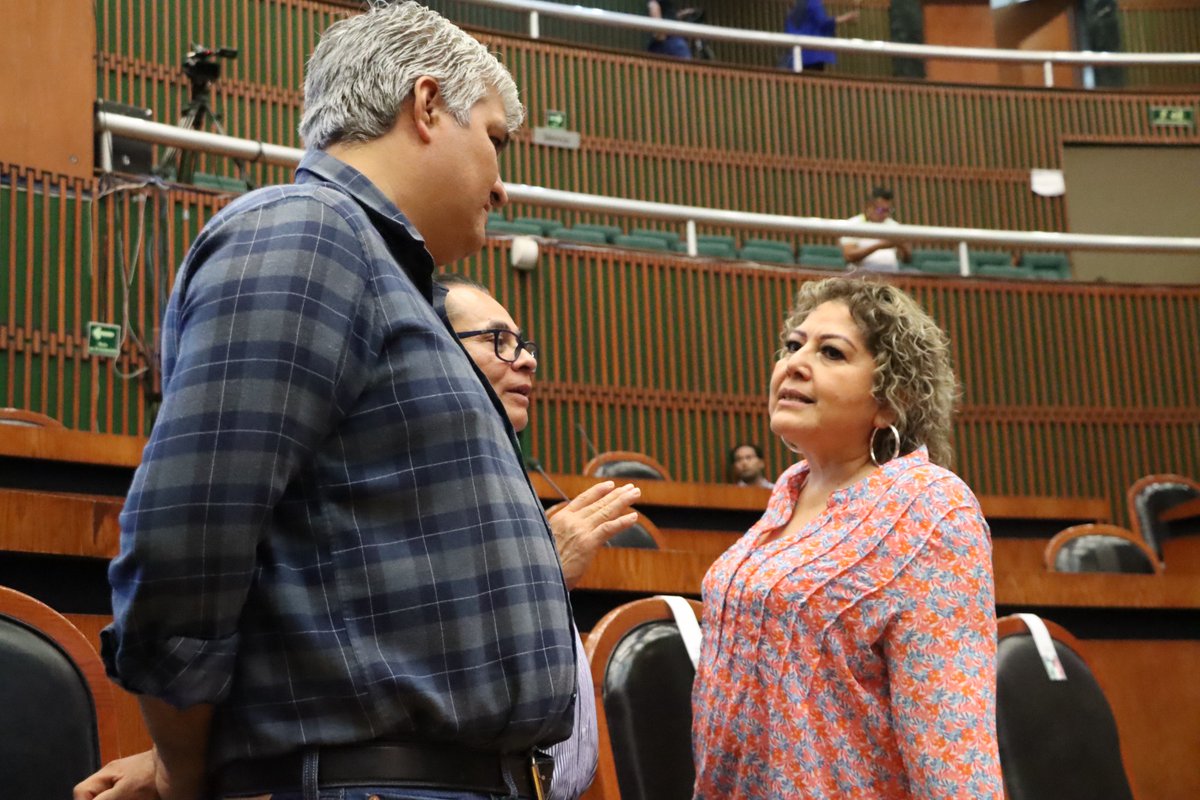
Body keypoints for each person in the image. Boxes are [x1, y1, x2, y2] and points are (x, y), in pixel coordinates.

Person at [95, 5, 579, 800]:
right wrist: (184, 763)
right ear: (426, 106)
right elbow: (187, 540)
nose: (500, 182)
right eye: (494, 139)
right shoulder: (308, 230)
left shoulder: (387, 277)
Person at [76, 274, 640, 800]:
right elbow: (349, 662)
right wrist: (173, 762)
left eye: (523, 342)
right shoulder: (385, 480)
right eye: (498, 340)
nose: (528, 360)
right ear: (432, 355)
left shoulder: (488, 482)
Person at [692, 276, 1002, 798]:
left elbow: (953, 743)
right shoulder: (789, 492)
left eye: (831, 352)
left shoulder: (928, 508)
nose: (794, 362)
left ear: (892, 398)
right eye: (792, 345)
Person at [839, 186, 912, 272]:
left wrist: (902, 246)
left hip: (892, 276)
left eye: (888, 210)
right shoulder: (853, 224)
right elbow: (849, 256)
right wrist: (880, 245)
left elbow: (907, 259)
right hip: (860, 277)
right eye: (881, 210)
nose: (885, 214)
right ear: (869, 206)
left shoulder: (894, 226)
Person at [780, 0, 861, 71]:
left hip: (798, 52)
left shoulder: (798, 4)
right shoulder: (813, 2)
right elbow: (823, 23)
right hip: (813, 53)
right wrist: (847, 17)